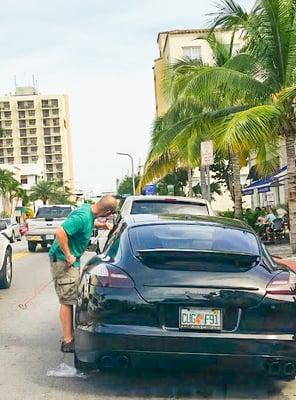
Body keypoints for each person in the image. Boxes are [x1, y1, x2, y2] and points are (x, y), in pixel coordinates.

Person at [49, 195, 118, 353]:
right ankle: (68, 341)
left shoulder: (89, 213)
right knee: (67, 300)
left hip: (71, 261)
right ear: (107, 211)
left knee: (71, 297)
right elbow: (60, 232)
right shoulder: (82, 216)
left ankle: (70, 335)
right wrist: (68, 255)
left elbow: (86, 223)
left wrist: (100, 225)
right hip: (63, 261)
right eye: (111, 213)